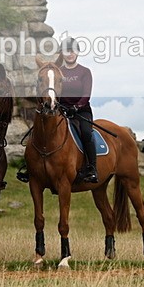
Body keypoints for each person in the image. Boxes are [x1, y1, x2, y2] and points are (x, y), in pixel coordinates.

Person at [59, 38, 98, 183]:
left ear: (78, 52)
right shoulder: (59, 71)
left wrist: (76, 107)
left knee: (86, 133)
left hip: (81, 111)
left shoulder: (84, 72)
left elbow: (86, 95)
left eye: (72, 50)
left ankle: (92, 168)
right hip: (62, 111)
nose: (70, 54)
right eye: (66, 50)